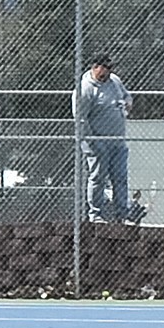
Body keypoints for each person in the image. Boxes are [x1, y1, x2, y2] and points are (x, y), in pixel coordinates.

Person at [72, 55, 132, 223]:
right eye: (105, 68)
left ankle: (123, 215)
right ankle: (95, 215)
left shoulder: (115, 81)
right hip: (97, 142)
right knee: (98, 178)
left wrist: (127, 103)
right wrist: (92, 142)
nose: (109, 71)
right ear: (95, 67)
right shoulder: (85, 89)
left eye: (111, 68)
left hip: (118, 141)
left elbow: (127, 96)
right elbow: (80, 119)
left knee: (120, 177)